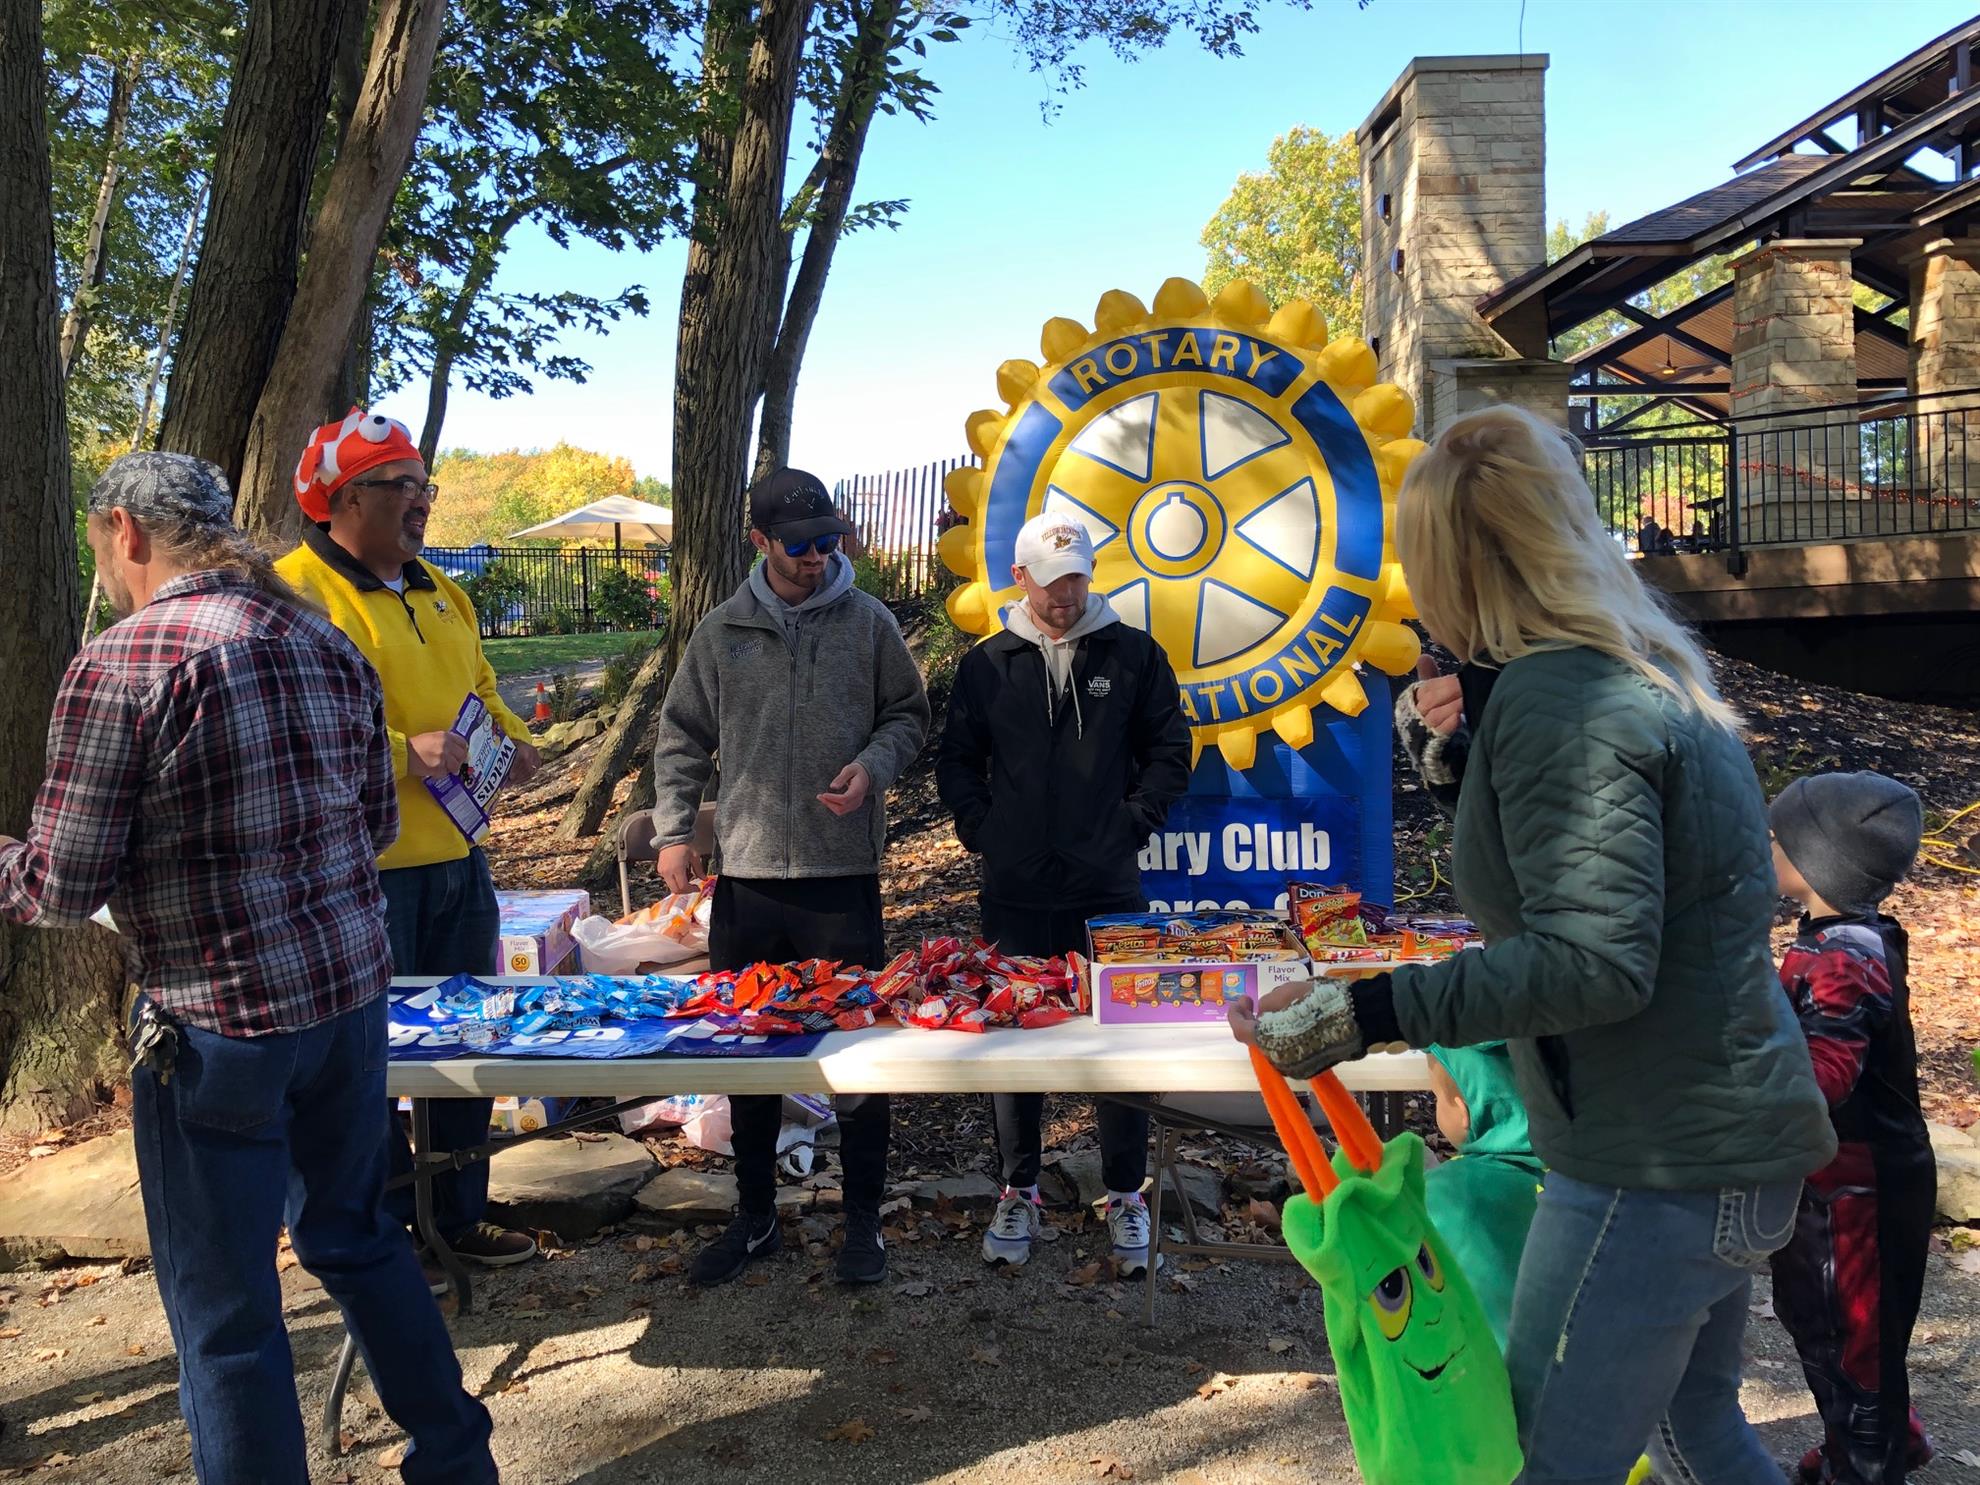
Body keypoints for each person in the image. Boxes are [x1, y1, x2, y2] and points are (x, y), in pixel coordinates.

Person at [1231, 404, 1836, 1483]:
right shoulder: (1631, 663)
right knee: (1697, 1435)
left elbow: (1593, 960)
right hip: (1718, 1139)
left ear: (1454, 563)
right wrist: (1469, 751)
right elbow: (1591, 875)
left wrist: (1365, 1011)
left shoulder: (1565, 697)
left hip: (1653, 1158)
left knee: (1542, 1457)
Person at [0, 454, 496, 1485]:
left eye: (101, 549)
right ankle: (456, 1460)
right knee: (359, 1238)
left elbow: (58, 885)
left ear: (125, 532)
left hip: (216, 1025)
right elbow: (372, 824)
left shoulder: (122, 662)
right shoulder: (321, 637)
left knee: (225, 1314)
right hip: (346, 1008)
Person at [276, 409, 541, 1271]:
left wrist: (512, 740)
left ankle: (459, 1217)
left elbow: (482, 685)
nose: (422, 501)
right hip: (357, 879)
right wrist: (401, 754)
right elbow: (290, 732)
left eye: (426, 485)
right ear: (345, 499)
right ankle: (383, 1233)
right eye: (402, 486)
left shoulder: (442, 589)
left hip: (461, 864)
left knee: (468, 1042)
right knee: (366, 1063)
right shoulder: (292, 596)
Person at [651, 468, 929, 1287]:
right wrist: (675, 832)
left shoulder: (869, 621)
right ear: (760, 541)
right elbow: (681, 734)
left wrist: (874, 767)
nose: (818, 558)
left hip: (841, 877)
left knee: (859, 1056)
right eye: (801, 546)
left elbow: (907, 714)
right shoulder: (723, 631)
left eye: (829, 542)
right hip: (748, 881)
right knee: (749, 1056)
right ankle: (755, 1215)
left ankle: (863, 1218)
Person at [935, 512, 1190, 1275]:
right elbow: (957, 758)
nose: (1064, 594)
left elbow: (1171, 749)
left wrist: (1131, 823)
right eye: (1050, 581)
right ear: (1020, 578)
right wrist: (984, 829)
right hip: (1014, 890)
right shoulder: (988, 664)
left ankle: (1126, 1192)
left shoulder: (1134, 654)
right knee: (1014, 1043)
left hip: (1108, 888)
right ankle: (1018, 1188)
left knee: (1121, 1041)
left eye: (1076, 577)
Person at [1769, 772, 1937, 1485]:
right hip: (1848, 1175)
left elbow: (1822, 1077)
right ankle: (1883, 1438)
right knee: (1831, 1321)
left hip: (1857, 1188)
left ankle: (1867, 1462)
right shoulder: (1850, 938)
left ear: (1819, 859)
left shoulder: (1841, 956)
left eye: (1779, 837)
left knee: (1849, 1333)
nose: (1768, 846)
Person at [1421, 1043, 1542, 1352]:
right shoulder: (1581, 1181)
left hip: (1480, 1366)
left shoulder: (1444, 1191)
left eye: (1436, 1098)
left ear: (1462, 1110)